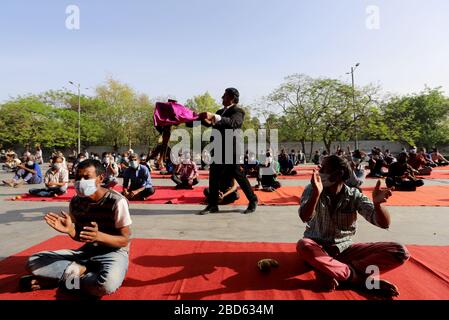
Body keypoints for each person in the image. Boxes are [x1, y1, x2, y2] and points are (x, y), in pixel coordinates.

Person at [297, 155, 409, 297]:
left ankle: (333, 271)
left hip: (345, 250)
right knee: (303, 245)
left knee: (399, 251)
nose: (319, 171)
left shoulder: (354, 195)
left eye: (324, 169)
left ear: (338, 175)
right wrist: (316, 194)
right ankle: (358, 279)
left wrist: (377, 205)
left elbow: (383, 223)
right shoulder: (312, 189)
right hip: (317, 248)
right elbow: (304, 217)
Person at [21, 159, 131, 297]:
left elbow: (124, 240)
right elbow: (81, 236)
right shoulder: (76, 201)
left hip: (115, 252)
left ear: (100, 178)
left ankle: (65, 279)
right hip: (88, 251)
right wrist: (70, 230)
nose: (80, 181)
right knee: (33, 262)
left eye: (87, 177)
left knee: (105, 285)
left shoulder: (117, 201)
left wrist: (99, 236)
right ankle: (80, 272)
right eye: (78, 177)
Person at [198, 88, 258, 215]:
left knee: (239, 176)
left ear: (231, 97)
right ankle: (213, 205)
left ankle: (253, 200)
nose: (221, 97)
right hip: (218, 149)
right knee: (213, 176)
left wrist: (214, 117)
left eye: (224, 95)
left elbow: (233, 123)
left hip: (231, 150)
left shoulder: (238, 111)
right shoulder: (220, 111)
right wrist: (198, 117)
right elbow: (210, 123)